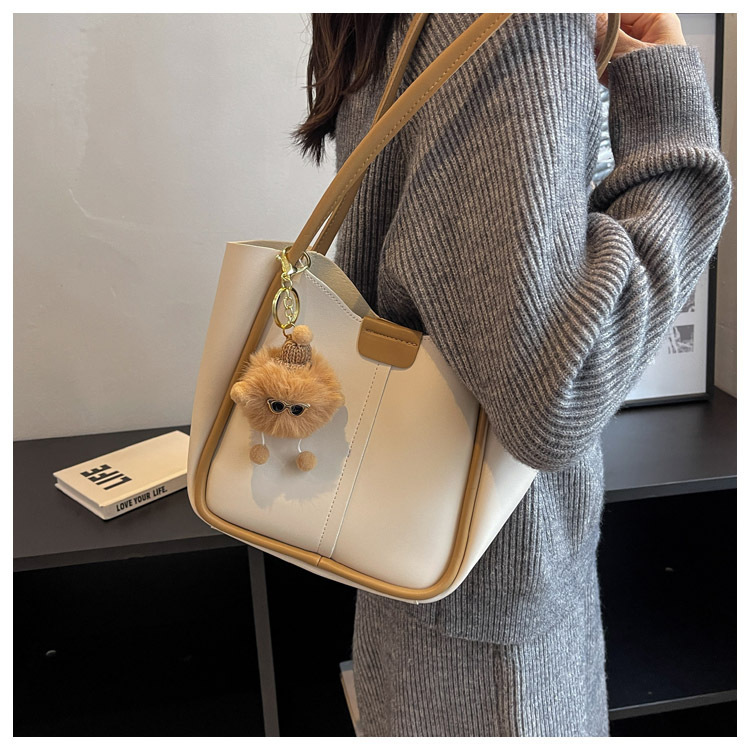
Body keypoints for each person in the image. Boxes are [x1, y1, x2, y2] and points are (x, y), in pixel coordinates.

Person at [294, 13, 732, 737]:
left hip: (420, 579)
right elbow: (555, 396)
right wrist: (668, 109)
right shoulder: (513, 23)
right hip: (498, 637)